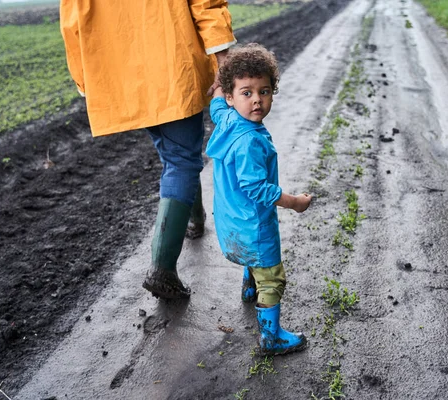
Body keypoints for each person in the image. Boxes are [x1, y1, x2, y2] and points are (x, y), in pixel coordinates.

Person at [59, 0, 236, 299]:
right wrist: (223, 60)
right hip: (171, 63)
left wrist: (85, 80)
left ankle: (194, 219)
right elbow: (206, 4)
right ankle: (162, 269)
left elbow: (72, 20)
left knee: (178, 155)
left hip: (121, 74)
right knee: (181, 158)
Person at [206, 43, 312, 355]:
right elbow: (257, 189)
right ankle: (271, 338)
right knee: (273, 278)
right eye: (246, 92)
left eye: (264, 92)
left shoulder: (225, 118)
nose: (256, 101)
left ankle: (248, 284)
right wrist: (294, 202)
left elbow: (215, 104)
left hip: (231, 221)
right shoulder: (251, 141)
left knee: (253, 260)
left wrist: (218, 82)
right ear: (232, 96)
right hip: (254, 225)